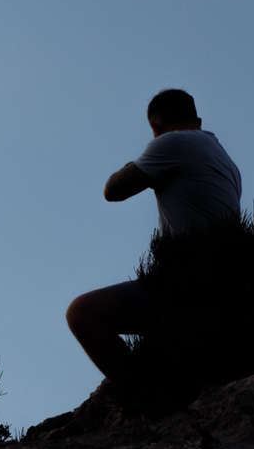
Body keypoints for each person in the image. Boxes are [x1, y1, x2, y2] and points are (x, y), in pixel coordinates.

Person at [65, 88, 241, 379]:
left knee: (82, 313)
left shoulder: (174, 142)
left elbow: (113, 190)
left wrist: (137, 162)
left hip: (190, 278)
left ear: (156, 122)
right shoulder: (222, 157)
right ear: (196, 117)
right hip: (224, 276)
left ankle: (146, 398)